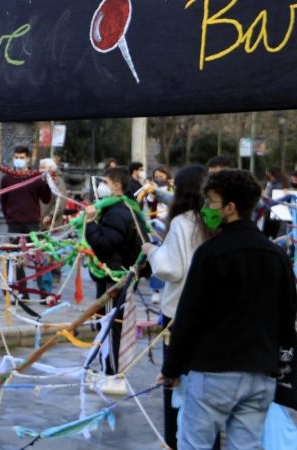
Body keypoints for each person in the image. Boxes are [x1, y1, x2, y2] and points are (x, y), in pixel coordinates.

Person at [158, 169, 297, 450]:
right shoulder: (276, 254)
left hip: (214, 372)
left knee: (194, 445)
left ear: (230, 208)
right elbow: (287, 317)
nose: (206, 208)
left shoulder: (211, 252)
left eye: (210, 202)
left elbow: (189, 317)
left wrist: (172, 367)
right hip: (260, 374)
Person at [141, 165, 216, 450]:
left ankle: (174, 440)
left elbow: (171, 269)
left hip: (179, 312)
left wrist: (153, 252)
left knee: (174, 377)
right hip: (214, 312)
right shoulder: (215, 221)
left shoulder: (183, 222)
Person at [84, 167, 148, 382]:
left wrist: (90, 223)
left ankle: (111, 374)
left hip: (115, 278)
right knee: (108, 324)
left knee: (111, 325)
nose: (101, 185)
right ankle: (107, 370)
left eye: (104, 181)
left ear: (116, 185)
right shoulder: (123, 208)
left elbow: (104, 245)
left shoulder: (118, 212)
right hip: (117, 275)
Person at [0, 146, 51, 299]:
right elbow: (3, 200)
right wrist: (9, 216)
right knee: (17, 257)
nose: (19, 160)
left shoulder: (36, 177)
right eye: (17, 157)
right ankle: (23, 291)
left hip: (32, 222)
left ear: (28, 159)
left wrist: (46, 182)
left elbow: (46, 199)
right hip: (14, 223)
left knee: (37, 256)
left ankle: (43, 292)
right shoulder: (6, 178)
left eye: (22, 157)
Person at [38, 159, 66, 230]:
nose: (40, 170)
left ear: (50, 168)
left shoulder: (58, 181)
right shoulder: (41, 181)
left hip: (51, 223)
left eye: (42, 167)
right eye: (40, 167)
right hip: (39, 222)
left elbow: (60, 202)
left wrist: (50, 216)